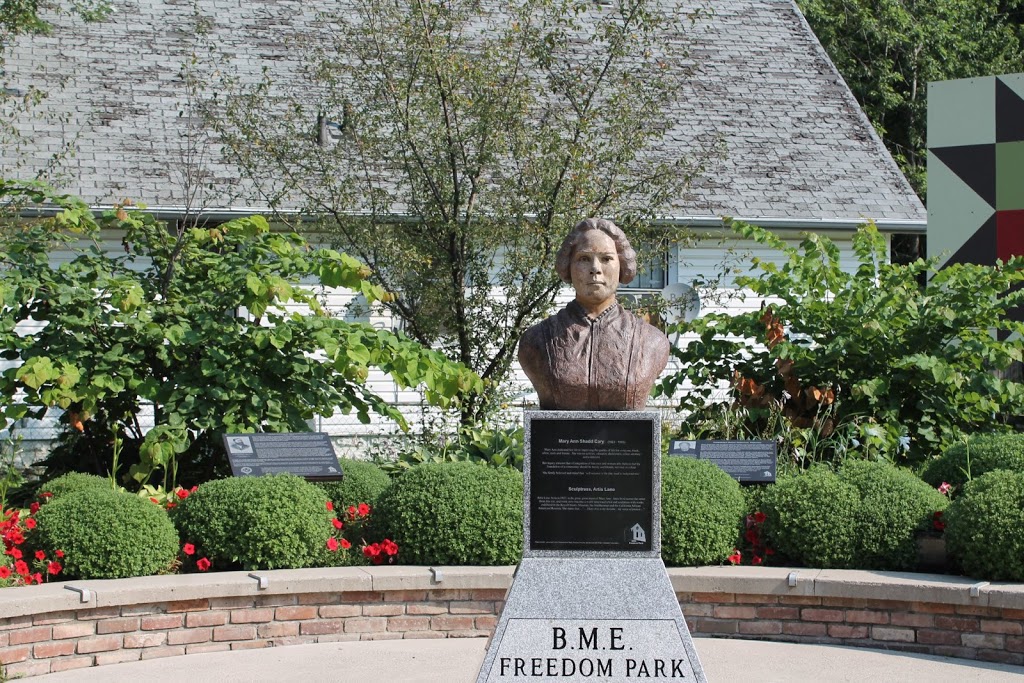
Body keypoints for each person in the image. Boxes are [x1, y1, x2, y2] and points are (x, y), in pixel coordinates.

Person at [518, 218, 670, 410]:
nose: (595, 269)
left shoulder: (651, 342)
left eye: (606, 259)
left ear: (622, 265)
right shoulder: (536, 341)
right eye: (584, 259)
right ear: (569, 266)